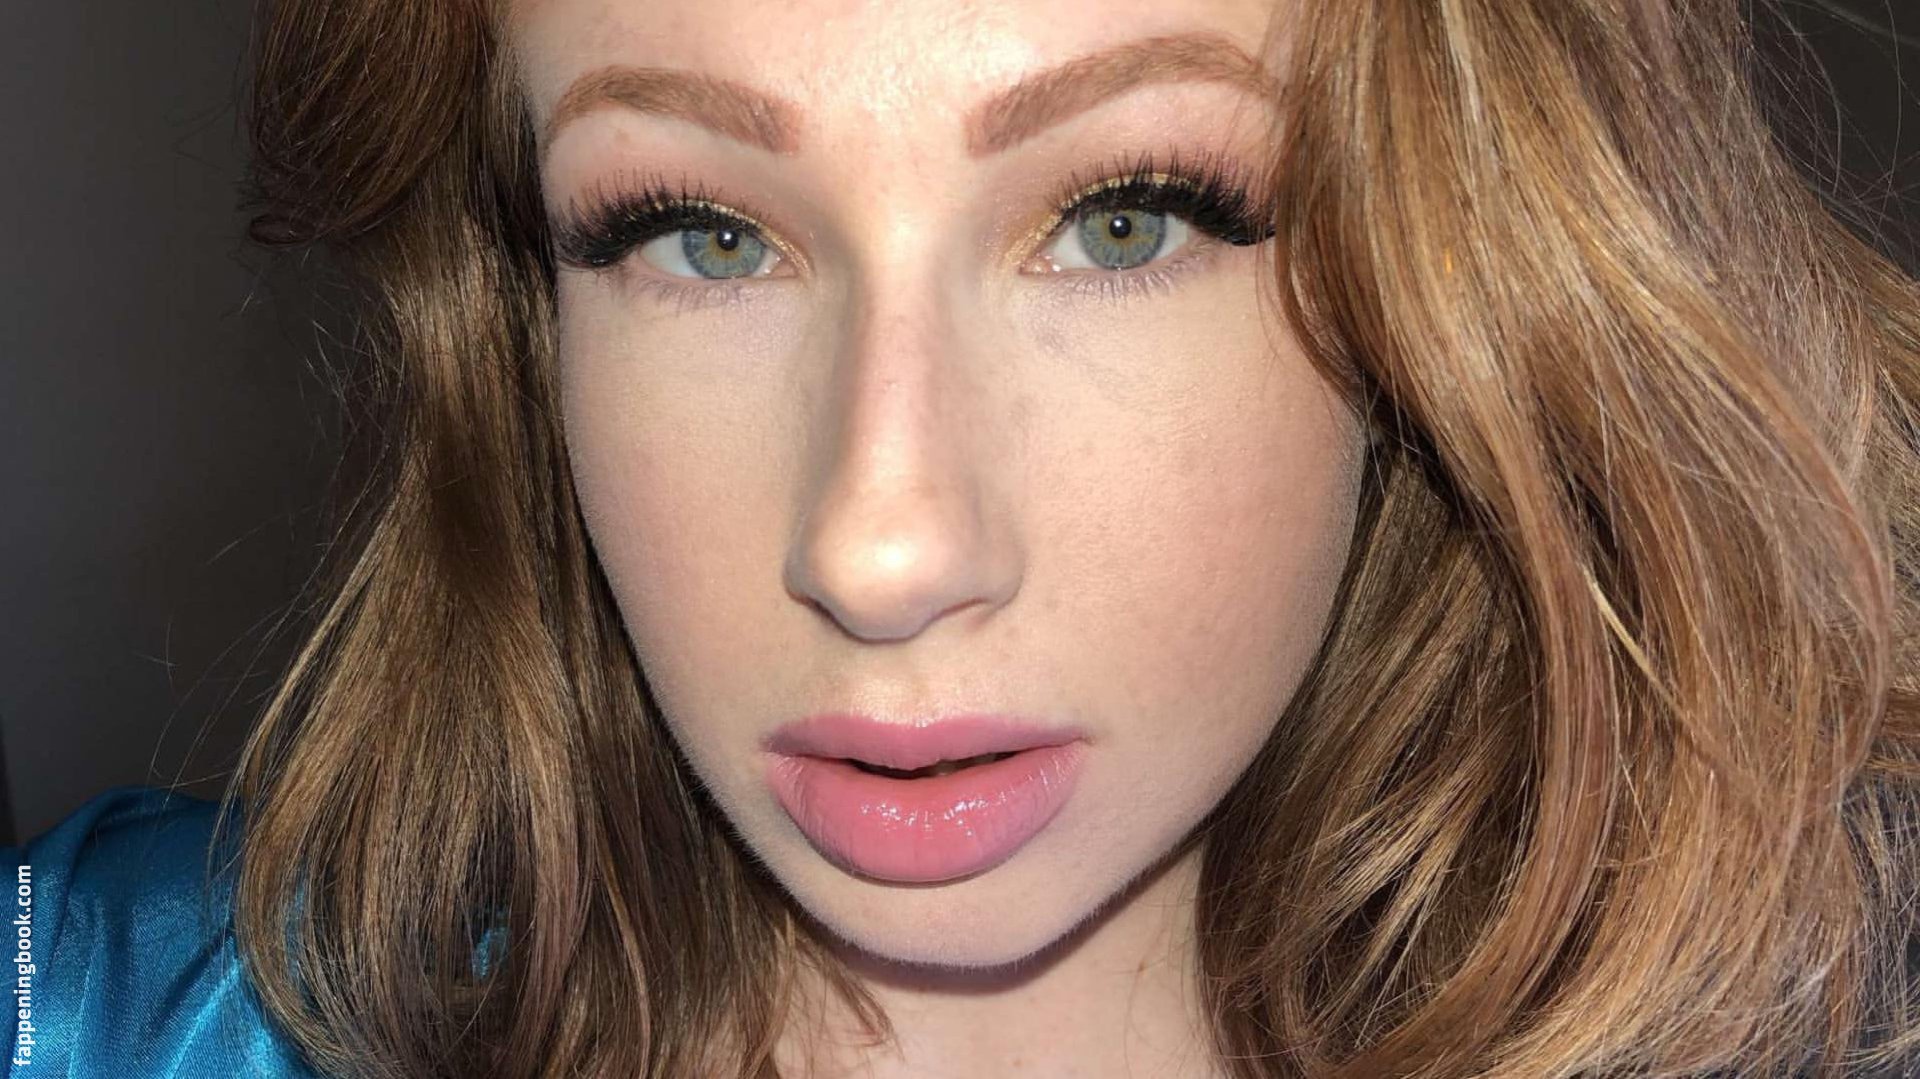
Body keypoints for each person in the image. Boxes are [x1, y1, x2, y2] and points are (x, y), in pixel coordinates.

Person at [9, 0, 1920, 1075]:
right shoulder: (95, 1014)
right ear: (524, 315)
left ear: (1457, 283)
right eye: (700, 232)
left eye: (1124, 218)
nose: (884, 548)